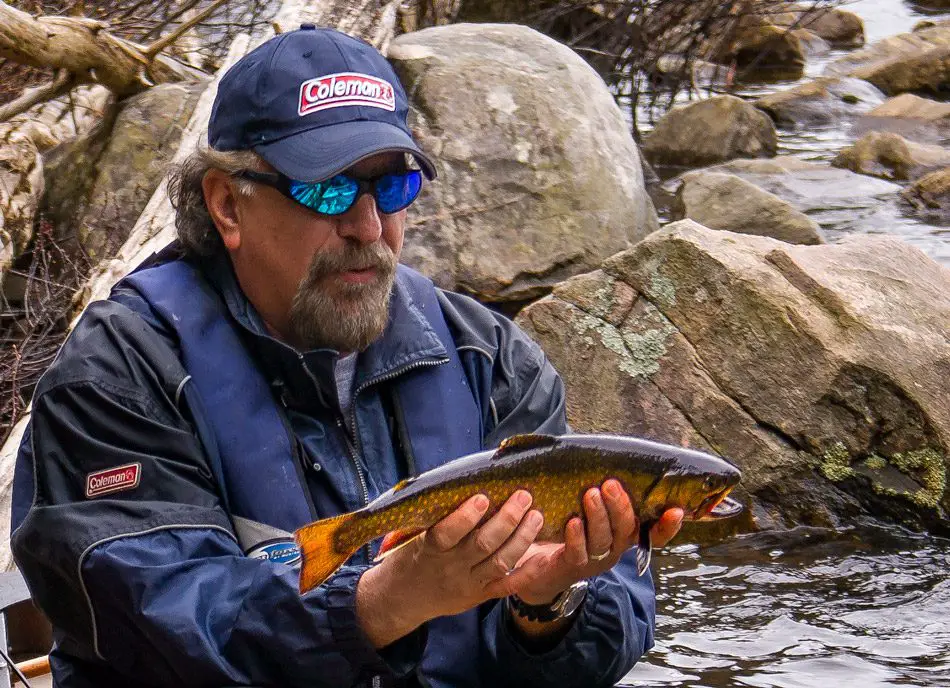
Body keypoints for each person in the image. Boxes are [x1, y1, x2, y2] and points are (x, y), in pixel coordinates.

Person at [10, 24, 683, 688]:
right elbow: (156, 632)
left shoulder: (490, 359)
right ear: (226, 205)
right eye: (327, 188)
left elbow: (611, 619)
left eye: (391, 186)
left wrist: (549, 608)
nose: (367, 227)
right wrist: (383, 602)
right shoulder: (116, 376)